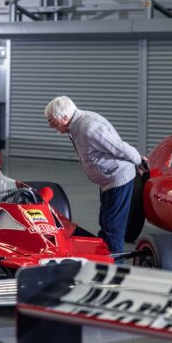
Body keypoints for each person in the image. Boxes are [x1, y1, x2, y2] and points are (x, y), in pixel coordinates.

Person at [44, 96, 147, 255]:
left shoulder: (89, 128)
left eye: (51, 120)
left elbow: (119, 147)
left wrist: (138, 161)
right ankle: (102, 259)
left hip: (118, 179)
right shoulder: (76, 125)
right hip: (107, 180)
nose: (49, 125)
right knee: (105, 223)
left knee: (113, 229)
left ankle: (114, 271)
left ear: (64, 117)